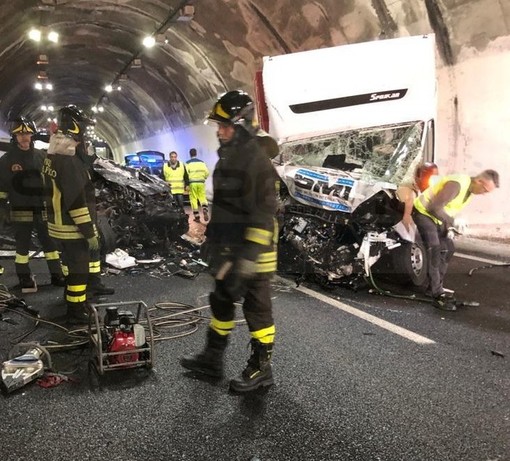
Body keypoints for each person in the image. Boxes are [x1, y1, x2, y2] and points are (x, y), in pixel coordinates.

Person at [180, 90, 279, 393]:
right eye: (218, 126)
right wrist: (211, 242)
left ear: (242, 125)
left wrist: (246, 263)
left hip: (253, 255)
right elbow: (224, 207)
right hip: (229, 250)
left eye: (224, 126)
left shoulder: (257, 162)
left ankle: (261, 369)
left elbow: (263, 217)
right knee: (221, 301)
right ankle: (212, 360)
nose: (219, 131)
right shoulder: (230, 157)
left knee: (257, 311)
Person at [42, 105, 110, 323]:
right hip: (71, 227)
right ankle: (75, 311)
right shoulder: (70, 163)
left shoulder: (53, 156)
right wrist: (88, 231)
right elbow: (77, 202)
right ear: (75, 128)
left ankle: (75, 301)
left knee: (73, 266)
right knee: (79, 270)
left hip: (57, 223)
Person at [413, 169, 499, 311]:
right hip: (423, 213)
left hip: (437, 218)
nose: (483, 193)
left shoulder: (469, 191)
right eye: (485, 189)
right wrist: (452, 221)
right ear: (479, 181)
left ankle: (434, 287)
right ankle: (436, 293)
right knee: (435, 249)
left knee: (448, 249)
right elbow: (433, 207)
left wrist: (451, 227)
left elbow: (446, 210)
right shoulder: (456, 184)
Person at [0, 117, 65, 293]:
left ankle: (57, 275)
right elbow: (2, 186)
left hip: (42, 208)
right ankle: (24, 277)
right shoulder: (7, 160)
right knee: (22, 245)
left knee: (49, 242)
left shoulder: (41, 156)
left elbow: (52, 179)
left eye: (27, 133)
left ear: (32, 135)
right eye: (20, 134)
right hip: (20, 209)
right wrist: (2, 208)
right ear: (15, 136)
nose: (24, 137)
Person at [396, 161, 439, 232]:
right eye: (428, 176)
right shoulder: (407, 190)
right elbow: (406, 220)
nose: (432, 181)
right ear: (418, 177)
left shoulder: (431, 190)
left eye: (435, 177)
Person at [186, 148, 210, 222]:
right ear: (196, 153)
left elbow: (186, 174)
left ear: (190, 154)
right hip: (201, 183)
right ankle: (205, 209)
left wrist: (186, 183)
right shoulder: (202, 163)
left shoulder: (187, 163)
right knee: (202, 197)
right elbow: (207, 172)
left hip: (192, 183)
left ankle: (197, 217)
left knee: (193, 199)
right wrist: (204, 178)